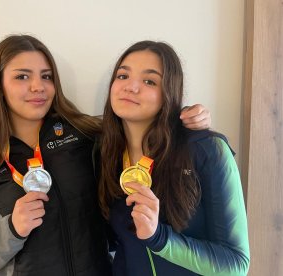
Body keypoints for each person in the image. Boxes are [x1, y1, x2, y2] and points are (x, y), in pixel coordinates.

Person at [0, 35, 211, 276]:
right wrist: (12, 229)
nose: (38, 86)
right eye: (22, 76)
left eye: (46, 77)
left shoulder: (85, 134)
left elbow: (140, 123)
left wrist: (184, 116)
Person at [98, 40, 250, 276]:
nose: (131, 87)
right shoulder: (105, 152)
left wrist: (159, 238)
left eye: (149, 81)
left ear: (169, 91)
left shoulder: (207, 150)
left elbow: (235, 264)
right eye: (122, 76)